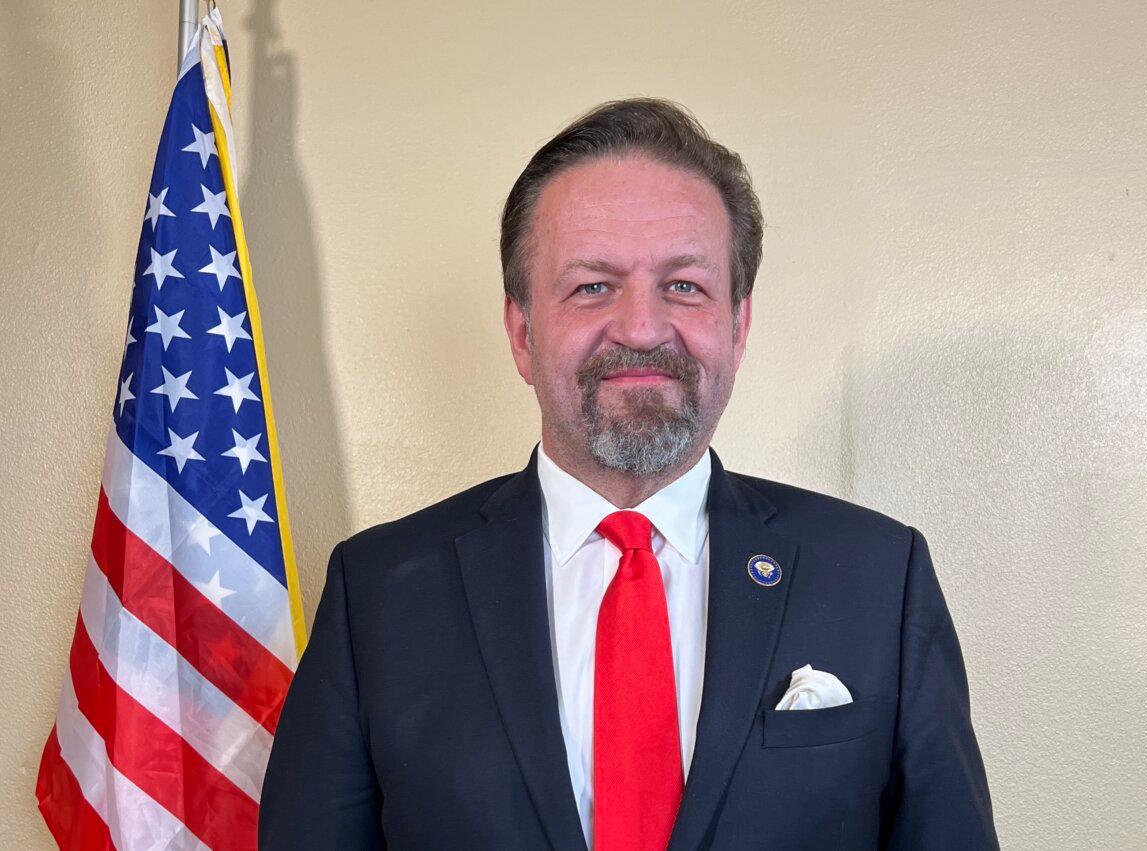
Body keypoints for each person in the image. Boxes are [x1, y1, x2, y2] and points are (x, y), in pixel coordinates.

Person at [259, 98, 999, 850]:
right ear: (521, 332)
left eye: (684, 286)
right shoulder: (378, 596)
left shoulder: (878, 579)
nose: (642, 328)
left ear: (737, 327)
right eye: (592, 286)